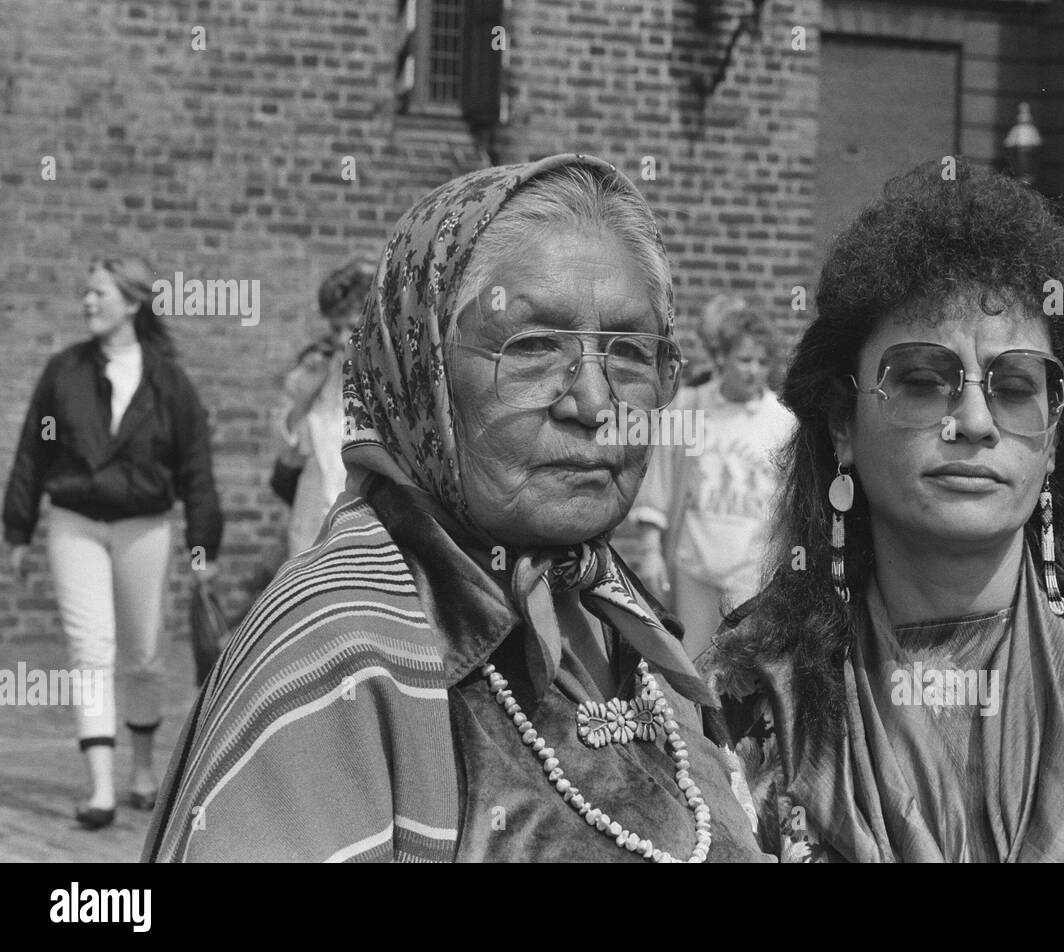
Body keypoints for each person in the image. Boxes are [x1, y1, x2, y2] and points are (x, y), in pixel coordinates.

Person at [142, 154, 768, 863]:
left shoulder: (618, 608)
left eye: (629, 352)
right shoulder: (342, 651)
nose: (596, 404)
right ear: (424, 374)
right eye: (532, 348)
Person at [701, 159, 1064, 863]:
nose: (975, 421)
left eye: (1017, 386)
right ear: (841, 422)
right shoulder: (743, 699)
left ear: (1051, 439)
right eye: (923, 380)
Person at [3, 255, 223, 830]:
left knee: (144, 655)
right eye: (85, 292)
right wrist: (17, 529)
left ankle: (144, 770)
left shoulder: (170, 383)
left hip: (144, 527)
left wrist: (204, 546)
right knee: (89, 648)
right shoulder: (62, 372)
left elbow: (196, 467)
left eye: (98, 292)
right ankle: (100, 787)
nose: (87, 302)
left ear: (132, 303)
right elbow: (34, 450)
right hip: (74, 520)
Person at [633, 310, 795, 659]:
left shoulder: (783, 424)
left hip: (753, 577)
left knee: (743, 673)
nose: (754, 370)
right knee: (690, 665)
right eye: (745, 359)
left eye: (763, 361)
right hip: (694, 568)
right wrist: (649, 549)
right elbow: (659, 477)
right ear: (722, 357)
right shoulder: (691, 409)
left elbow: (792, 509)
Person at [274, 257, 375, 556]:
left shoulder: (391, 382)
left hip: (370, 536)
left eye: (350, 326)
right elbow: (287, 456)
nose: (342, 337)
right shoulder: (313, 371)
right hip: (312, 532)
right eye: (335, 327)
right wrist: (307, 393)